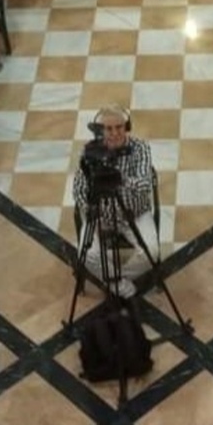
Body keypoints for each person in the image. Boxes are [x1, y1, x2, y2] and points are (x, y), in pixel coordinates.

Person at [72, 106, 158, 297]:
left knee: (151, 253)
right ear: (101, 130)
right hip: (100, 214)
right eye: (108, 129)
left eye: (119, 127)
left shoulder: (140, 148)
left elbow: (144, 185)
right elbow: (78, 190)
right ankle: (122, 288)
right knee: (87, 255)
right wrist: (92, 212)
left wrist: (119, 178)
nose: (114, 133)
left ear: (127, 127)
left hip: (134, 212)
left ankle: (114, 280)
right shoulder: (91, 152)